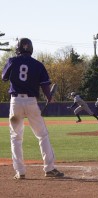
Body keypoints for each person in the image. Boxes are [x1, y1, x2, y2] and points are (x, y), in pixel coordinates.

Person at [1, 38, 64, 179]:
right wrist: (49, 97)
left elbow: (4, 77)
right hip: (31, 102)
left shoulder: (12, 61)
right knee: (42, 135)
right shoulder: (37, 64)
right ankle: (49, 168)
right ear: (31, 49)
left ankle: (20, 172)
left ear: (19, 48)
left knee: (16, 137)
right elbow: (45, 85)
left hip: (15, 102)